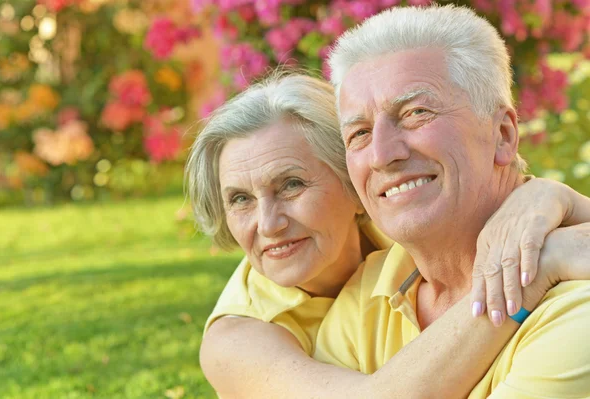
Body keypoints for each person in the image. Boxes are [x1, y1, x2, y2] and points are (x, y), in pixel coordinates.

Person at [188, 71, 590, 398]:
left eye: (291, 185)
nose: (268, 223)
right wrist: (534, 272)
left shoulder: (408, 229)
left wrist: (554, 197)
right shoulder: (236, 341)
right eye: (239, 199)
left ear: (355, 184)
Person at [314, 4, 590, 397]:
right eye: (358, 133)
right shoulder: (367, 295)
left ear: (504, 135)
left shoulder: (577, 309)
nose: (381, 154)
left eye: (416, 112)